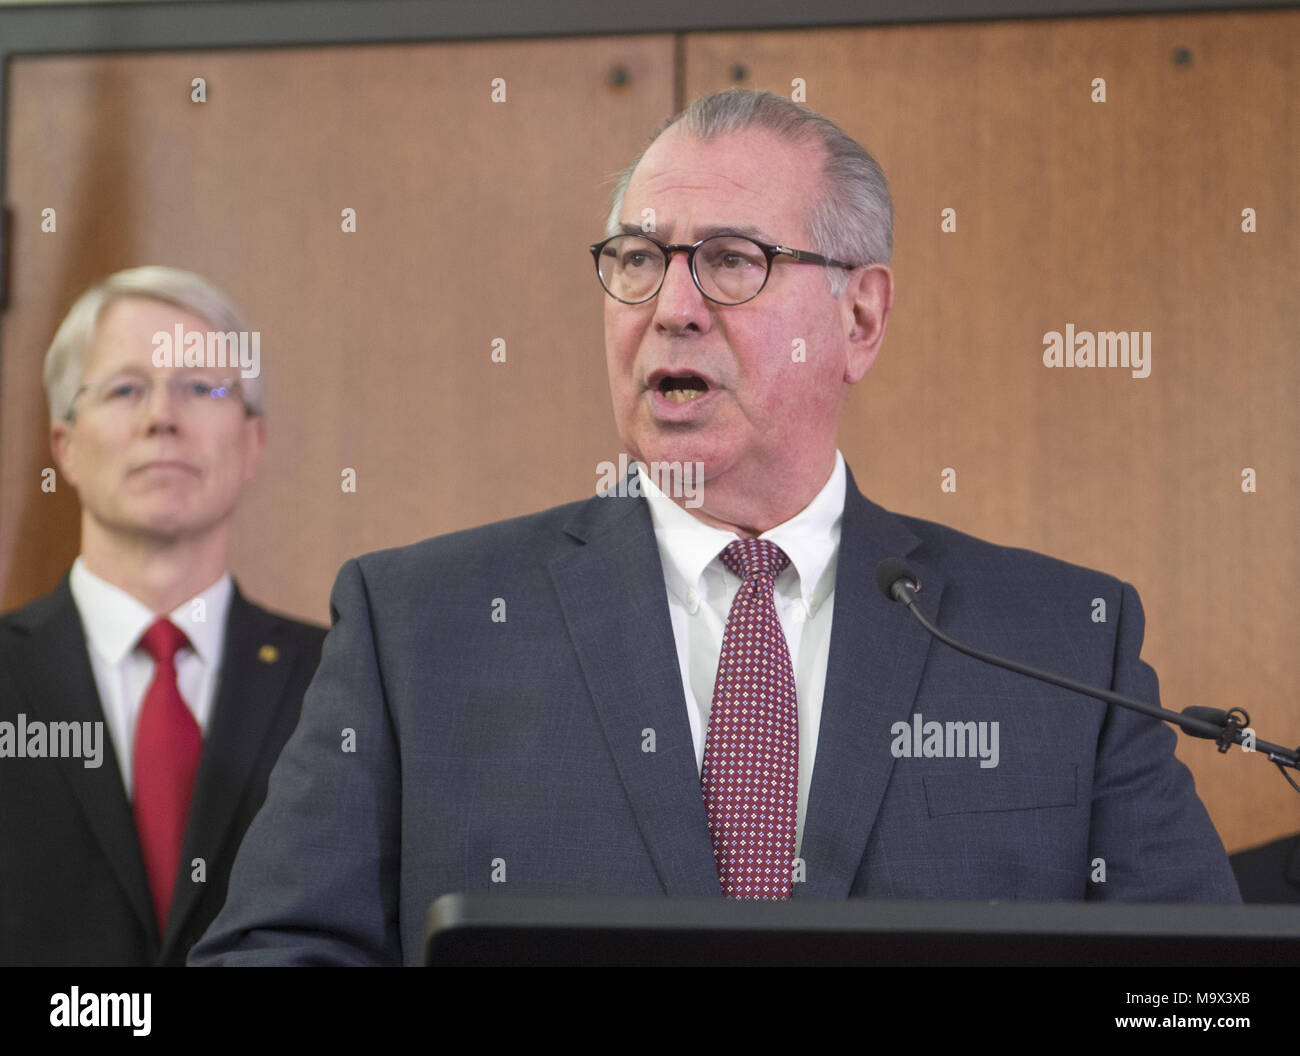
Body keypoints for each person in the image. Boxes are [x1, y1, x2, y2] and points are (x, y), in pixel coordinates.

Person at [191, 90, 1238, 966]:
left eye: (731, 259)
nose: (671, 306)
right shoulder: (419, 626)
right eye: (638, 259)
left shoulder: (1058, 641)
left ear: (859, 318)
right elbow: (278, 956)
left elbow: (1202, 991)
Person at [0, 266, 325, 965]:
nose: (161, 417)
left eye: (201, 388)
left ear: (253, 442)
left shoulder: (342, 683)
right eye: (124, 389)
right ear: (66, 447)